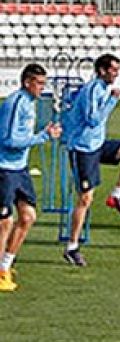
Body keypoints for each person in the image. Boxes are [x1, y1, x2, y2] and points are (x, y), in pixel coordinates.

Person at [60, 53, 120, 267]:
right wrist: (112, 101)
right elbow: (92, 119)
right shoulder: (92, 89)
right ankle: (72, 246)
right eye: (113, 70)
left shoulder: (101, 89)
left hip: (97, 145)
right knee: (85, 199)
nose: (117, 74)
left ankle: (116, 195)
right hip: (82, 149)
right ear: (102, 70)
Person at [0, 63, 63, 291]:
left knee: (27, 217)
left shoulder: (30, 103)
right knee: (5, 221)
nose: (42, 88)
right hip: (4, 168)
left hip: (21, 168)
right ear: (27, 82)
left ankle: (6, 264)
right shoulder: (15, 102)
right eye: (39, 83)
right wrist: (43, 137)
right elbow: (8, 141)